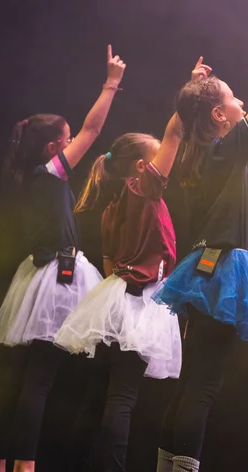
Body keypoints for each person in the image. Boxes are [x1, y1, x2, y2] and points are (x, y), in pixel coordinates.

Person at [154, 0, 248, 472]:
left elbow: (176, 130)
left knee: (193, 379)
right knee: (203, 384)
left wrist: (192, 89)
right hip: (220, 269)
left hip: (201, 268)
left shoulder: (194, 156)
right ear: (219, 117)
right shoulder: (224, 151)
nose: (241, 103)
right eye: (233, 99)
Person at [55, 58, 207, 471]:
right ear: (143, 167)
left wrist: (118, 304)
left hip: (115, 299)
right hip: (136, 302)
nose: (167, 163)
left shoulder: (112, 208)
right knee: (122, 396)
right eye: (158, 159)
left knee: (104, 394)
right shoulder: (145, 192)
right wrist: (191, 89)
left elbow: (108, 265)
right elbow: (175, 133)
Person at [0, 45, 126, 472]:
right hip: (56, 278)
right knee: (39, 381)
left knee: (19, 381)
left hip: (35, 275)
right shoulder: (49, 173)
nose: (72, 144)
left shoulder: (25, 179)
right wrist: (111, 84)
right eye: (66, 141)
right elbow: (92, 129)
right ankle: (25, 466)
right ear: (53, 148)